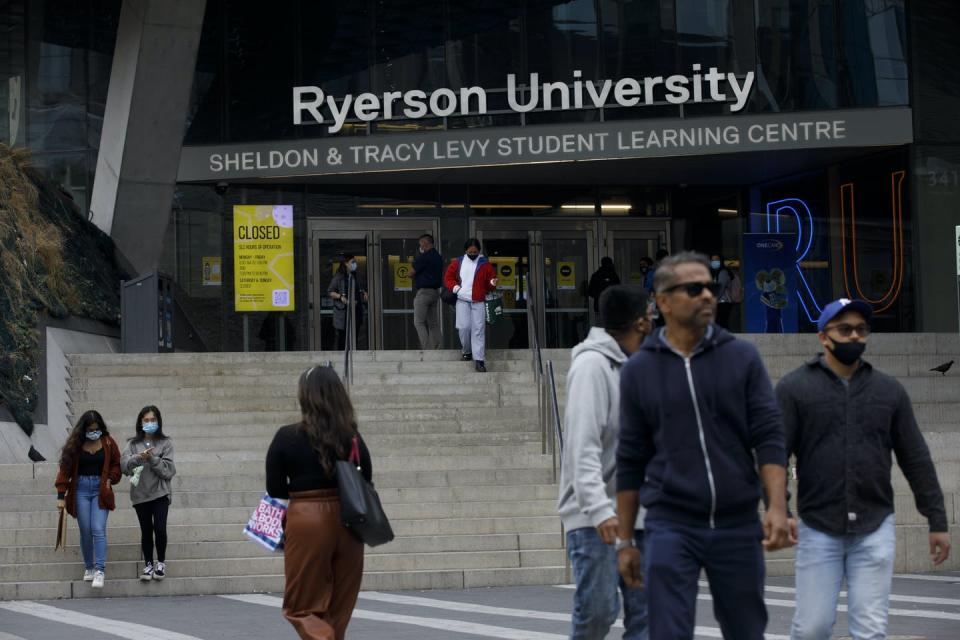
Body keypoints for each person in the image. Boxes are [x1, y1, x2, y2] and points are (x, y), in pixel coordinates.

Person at [615, 251, 792, 640]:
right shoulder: (640, 370)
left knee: (746, 631)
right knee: (669, 633)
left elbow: (768, 435)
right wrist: (626, 541)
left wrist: (778, 506)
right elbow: (629, 459)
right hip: (670, 524)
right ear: (662, 301)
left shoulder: (742, 356)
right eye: (694, 289)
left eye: (710, 287)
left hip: (737, 523)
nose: (708, 295)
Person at [776, 298, 951, 640]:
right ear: (823, 337)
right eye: (845, 329)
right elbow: (773, 454)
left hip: (875, 526)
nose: (854, 336)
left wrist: (937, 520)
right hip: (818, 526)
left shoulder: (888, 391)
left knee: (870, 630)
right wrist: (778, 507)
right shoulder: (794, 388)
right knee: (812, 628)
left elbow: (916, 458)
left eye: (861, 329)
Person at [558, 285, 652, 640]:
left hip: (642, 515)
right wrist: (599, 510)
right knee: (598, 611)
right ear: (639, 322)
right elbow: (582, 447)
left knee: (647, 616)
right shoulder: (592, 367)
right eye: (650, 317)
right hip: (594, 517)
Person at [266, 365, 372, 640]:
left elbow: (275, 488)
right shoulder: (352, 437)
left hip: (307, 517)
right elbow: (367, 480)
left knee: (300, 608)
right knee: (339, 610)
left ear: (305, 397)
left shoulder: (286, 437)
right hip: (350, 521)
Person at [54, 410, 122, 589]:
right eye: (90, 429)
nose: (94, 431)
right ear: (83, 429)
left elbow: (117, 463)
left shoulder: (108, 442)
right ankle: (89, 567)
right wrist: (61, 496)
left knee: (98, 528)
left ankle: (100, 570)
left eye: (96, 428)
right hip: (80, 489)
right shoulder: (76, 445)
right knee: (85, 530)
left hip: (101, 489)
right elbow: (65, 469)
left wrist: (110, 478)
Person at [121, 405, 177, 582]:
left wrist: (152, 458)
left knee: (160, 528)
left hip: (160, 493)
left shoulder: (165, 443)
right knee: (146, 530)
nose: (150, 423)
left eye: (153, 420)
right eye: (146, 420)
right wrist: (138, 457)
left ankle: (160, 562)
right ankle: (148, 564)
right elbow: (124, 467)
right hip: (140, 494)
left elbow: (168, 471)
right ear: (140, 422)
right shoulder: (132, 444)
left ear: (158, 421)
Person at [444, 238, 498, 373]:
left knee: (478, 330)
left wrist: (493, 282)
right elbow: (448, 277)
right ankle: (467, 351)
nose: (472, 254)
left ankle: (479, 360)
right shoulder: (458, 262)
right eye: (470, 251)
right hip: (462, 300)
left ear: (479, 251)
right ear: (466, 251)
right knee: (463, 327)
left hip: (478, 301)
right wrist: (456, 288)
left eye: (475, 252)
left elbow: (490, 282)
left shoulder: (485, 264)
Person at [327, 254, 367, 350]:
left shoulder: (356, 276)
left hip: (356, 311)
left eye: (355, 262)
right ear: (346, 264)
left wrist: (364, 293)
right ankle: (342, 356)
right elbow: (330, 292)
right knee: (343, 337)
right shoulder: (339, 277)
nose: (354, 264)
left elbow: (360, 288)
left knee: (355, 335)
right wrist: (340, 297)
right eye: (352, 262)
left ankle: (354, 354)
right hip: (343, 312)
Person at [411, 233, 443, 350]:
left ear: (425, 243)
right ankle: (439, 347)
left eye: (421, 244)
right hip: (435, 292)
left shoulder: (424, 257)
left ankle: (427, 348)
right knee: (433, 323)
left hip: (423, 292)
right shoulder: (438, 257)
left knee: (418, 322)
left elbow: (410, 272)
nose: (420, 247)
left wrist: (418, 256)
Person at [709, 254, 734, 329]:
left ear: (721, 261)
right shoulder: (714, 273)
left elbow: (720, 288)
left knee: (721, 324)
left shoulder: (723, 273)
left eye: (717, 260)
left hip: (723, 303)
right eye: (713, 260)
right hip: (719, 303)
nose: (714, 262)